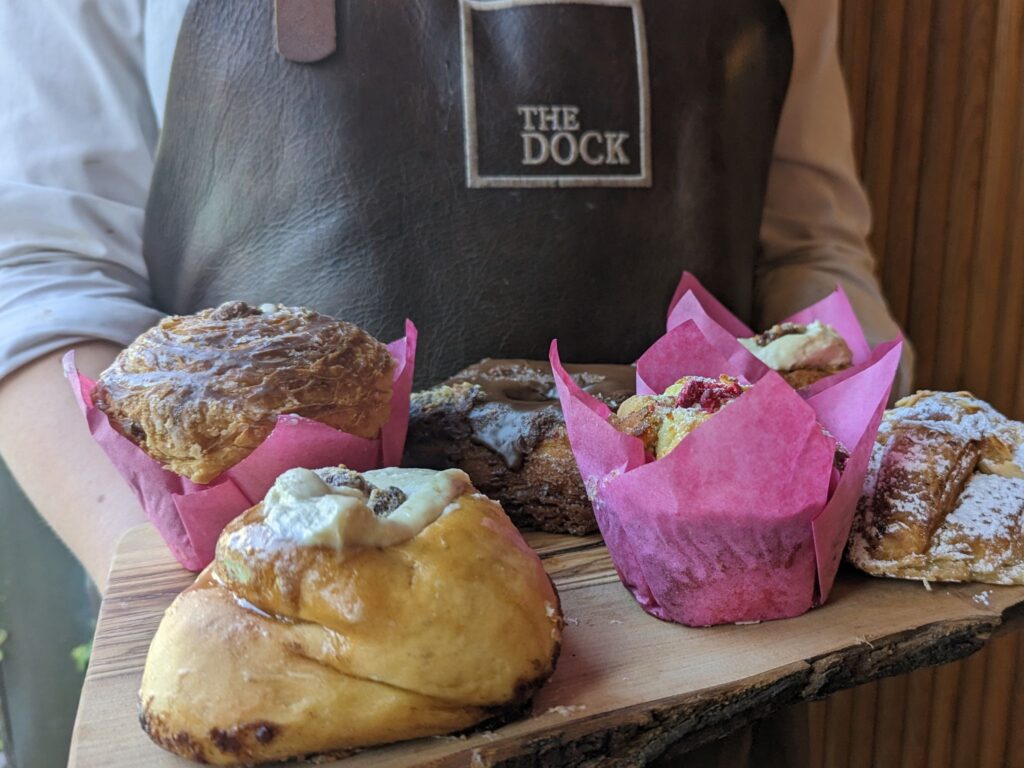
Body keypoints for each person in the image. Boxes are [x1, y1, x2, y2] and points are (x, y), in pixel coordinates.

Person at [0, 0, 912, 592]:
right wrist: (219, 612)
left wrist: (853, 478)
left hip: (717, 641)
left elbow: (805, 251)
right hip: (290, 647)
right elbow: (42, 282)